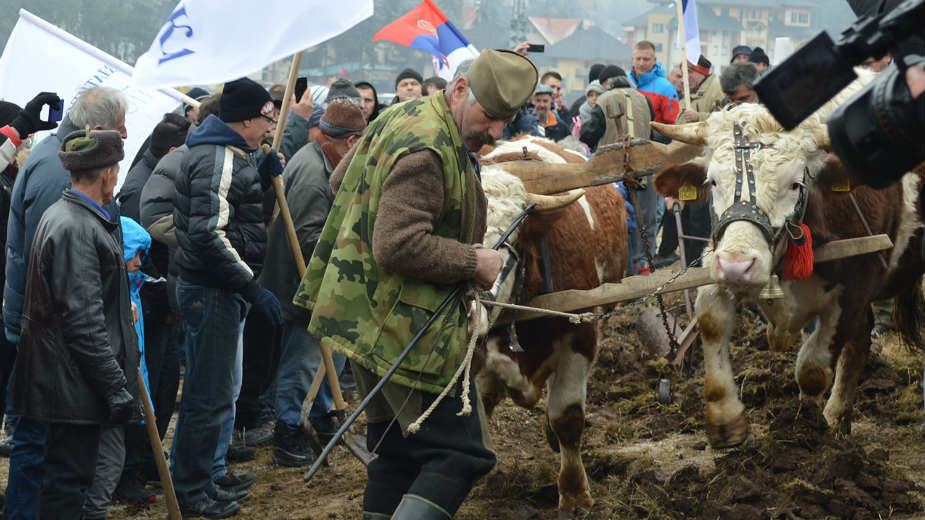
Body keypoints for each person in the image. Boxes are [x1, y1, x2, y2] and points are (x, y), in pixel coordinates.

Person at [293, 49, 536, 519]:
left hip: (363, 317)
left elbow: (343, 177)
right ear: (460, 89)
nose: (495, 133)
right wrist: (473, 261)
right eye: (489, 117)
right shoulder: (429, 147)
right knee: (461, 454)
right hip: (405, 331)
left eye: (505, 122)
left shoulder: (402, 114)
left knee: (399, 454)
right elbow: (397, 244)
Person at [5, 87, 124, 520]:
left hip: (47, 340)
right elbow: (64, 291)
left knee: (44, 450)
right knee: (43, 452)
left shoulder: (57, 164)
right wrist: (112, 383)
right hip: (53, 348)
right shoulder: (60, 182)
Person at [171, 77, 284, 518]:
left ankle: (209, 473)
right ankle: (192, 487)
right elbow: (207, 234)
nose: (270, 125)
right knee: (208, 393)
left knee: (219, 391)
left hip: (221, 289)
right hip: (212, 290)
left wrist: (262, 178)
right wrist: (250, 287)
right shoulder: (218, 157)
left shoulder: (234, 155)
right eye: (266, 117)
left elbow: (240, 216)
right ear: (246, 119)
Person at [261, 92, 366, 467]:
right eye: (360, 145)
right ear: (348, 141)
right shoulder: (311, 173)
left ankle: (323, 417)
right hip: (304, 285)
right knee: (304, 360)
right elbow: (307, 240)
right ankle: (287, 433)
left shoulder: (326, 163)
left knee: (330, 357)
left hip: (327, 285)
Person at [82, 215, 154, 519]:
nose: (139, 263)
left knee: (112, 458)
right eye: (133, 255)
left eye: (141, 256)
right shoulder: (106, 300)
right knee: (107, 461)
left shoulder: (132, 294)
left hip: (122, 395)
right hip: (103, 397)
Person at [630, 40, 680, 124]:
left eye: (646, 59)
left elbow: (673, 124)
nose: (641, 63)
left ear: (654, 60)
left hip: (652, 137)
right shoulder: (625, 81)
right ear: (632, 59)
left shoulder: (666, 88)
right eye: (638, 59)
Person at [675, 56, 725, 123]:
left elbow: (724, 119)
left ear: (701, 73)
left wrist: (699, 117)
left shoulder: (717, 89)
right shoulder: (687, 91)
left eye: (689, 72)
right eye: (683, 72)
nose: (685, 77)